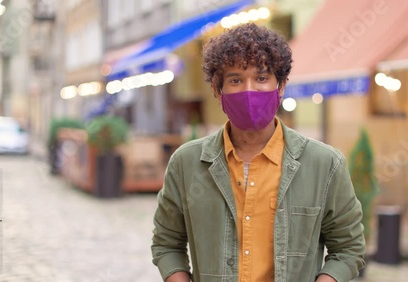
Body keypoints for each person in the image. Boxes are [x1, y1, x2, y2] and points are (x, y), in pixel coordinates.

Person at [151, 23, 366, 282]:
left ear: (281, 86)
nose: (249, 90)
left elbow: (348, 249)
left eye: (262, 78)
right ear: (218, 91)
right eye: (235, 80)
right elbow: (167, 244)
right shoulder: (186, 164)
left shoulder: (324, 164)